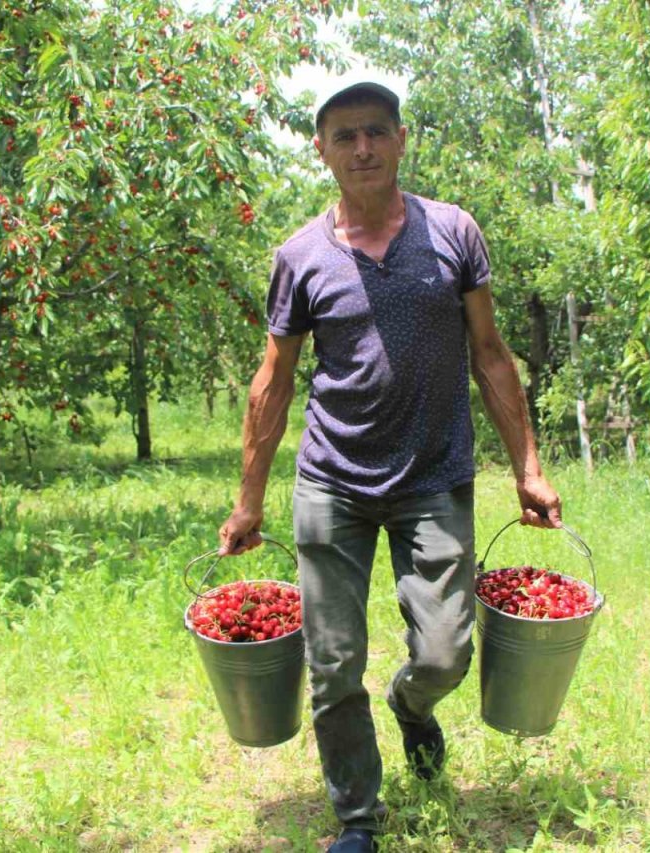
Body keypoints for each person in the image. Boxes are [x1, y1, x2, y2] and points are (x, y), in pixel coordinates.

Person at [217, 75, 562, 853]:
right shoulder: (300, 256)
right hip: (332, 480)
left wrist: (528, 467)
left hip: (434, 474)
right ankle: (358, 817)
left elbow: (491, 354)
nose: (363, 147)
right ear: (322, 150)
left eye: (377, 130)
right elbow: (272, 381)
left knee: (446, 650)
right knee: (334, 663)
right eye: (345, 135)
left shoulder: (452, 233)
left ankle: (413, 707)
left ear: (402, 138)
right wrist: (248, 498)